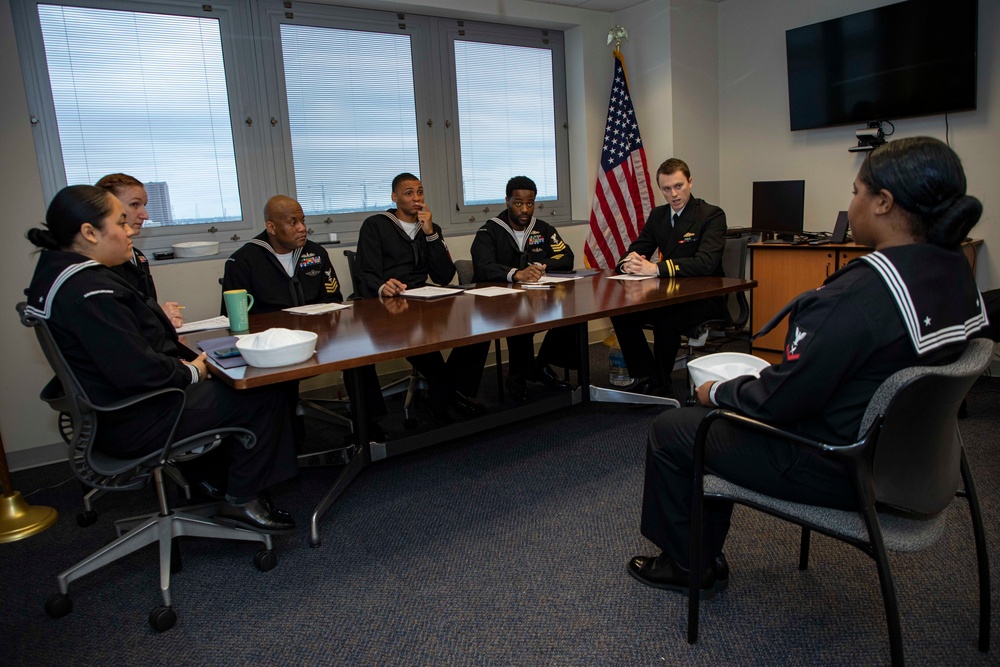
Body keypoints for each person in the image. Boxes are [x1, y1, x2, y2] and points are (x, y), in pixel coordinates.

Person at [629, 137, 989, 598]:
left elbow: (780, 402)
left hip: (838, 462)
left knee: (677, 428)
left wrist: (717, 392)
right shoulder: (955, 271)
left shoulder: (856, 297)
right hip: (917, 462)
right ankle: (699, 551)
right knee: (709, 417)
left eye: (856, 192)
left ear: (883, 203)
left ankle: (686, 564)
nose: (851, 203)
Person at [25, 185, 298, 534]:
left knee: (232, 382)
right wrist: (193, 373)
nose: (129, 230)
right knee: (262, 393)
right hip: (138, 416)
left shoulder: (60, 275)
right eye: (121, 222)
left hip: (114, 411)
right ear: (89, 233)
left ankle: (213, 480)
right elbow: (138, 371)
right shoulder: (91, 292)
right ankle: (241, 499)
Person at [222, 194, 386, 434]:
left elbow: (333, 298)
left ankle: (367, 426)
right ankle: (286, 436)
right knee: (277, 388)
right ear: (272, 227)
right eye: (293, 222)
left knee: (359, 353)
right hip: (271, 345)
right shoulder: (243, 261)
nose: (302, 228)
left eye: (303, 221)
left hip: (318, 336)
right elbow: (232, 319)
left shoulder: (316, 253)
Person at [356, 173, 490, 422]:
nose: (416, 198)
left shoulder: (429, 228)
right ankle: (443, 401)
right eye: (408, 193)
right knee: (427, 348)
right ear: (394, 197)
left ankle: (454, 390)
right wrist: (383, 286)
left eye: (420, 191)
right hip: (389, 303)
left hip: (424, 297)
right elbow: (365, 273)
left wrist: (430, 234)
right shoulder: (376, 225)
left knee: (478, 331)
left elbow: (443, 276)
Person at [610, 158, 727, 398]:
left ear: (690, 182)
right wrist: (628, 264)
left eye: (679, 186)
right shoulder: (659, 216)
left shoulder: (711, 215)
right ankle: (646, 376)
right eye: (666, 189)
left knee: (667, 317)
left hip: (704, 297)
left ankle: (660, 384)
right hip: (669, 294)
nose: (673, 194)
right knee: (622, 312)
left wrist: (654, 269)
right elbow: (635, 250)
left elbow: (706, 263)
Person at [470, 175, 577, 400]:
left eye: (530, 203)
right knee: (520, 318)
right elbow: (482, 267)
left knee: (573, 315)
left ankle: (541, 363)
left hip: (538, 298)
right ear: (507, 201)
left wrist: (541, 265)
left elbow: (567, 257)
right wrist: (516, 274)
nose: (525, 209)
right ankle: (517, 373)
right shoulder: (489, 231)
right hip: (499, 303)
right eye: (518, 203)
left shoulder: (543, 229)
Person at [95, 173, 184, 328]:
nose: (145, 215)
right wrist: (159, 318)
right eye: (135, 205)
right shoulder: (103, 263)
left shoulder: (137, 256)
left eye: (144, 205)